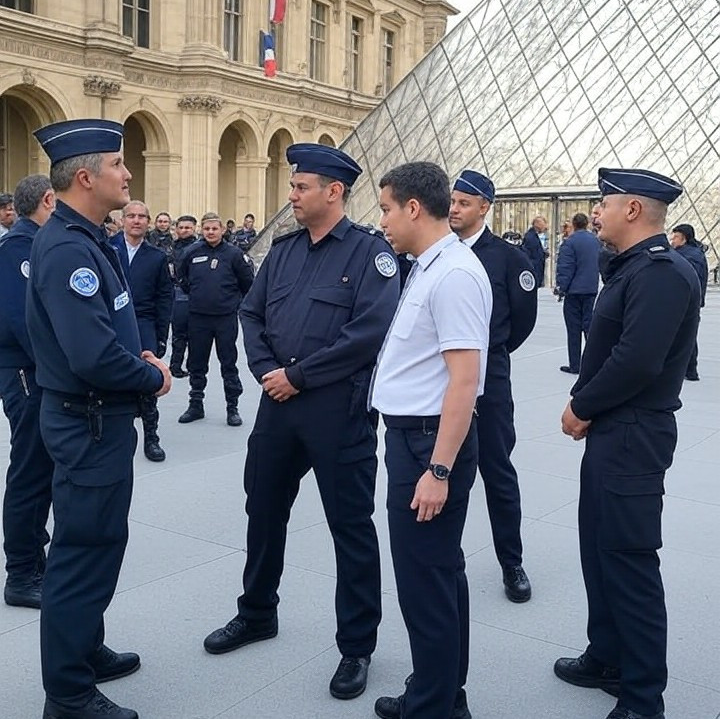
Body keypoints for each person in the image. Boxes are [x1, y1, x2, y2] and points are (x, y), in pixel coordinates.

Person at [203, 143, 399, 702]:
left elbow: (367, 333)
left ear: (332, 192)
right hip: (277, 406)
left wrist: (300, 376)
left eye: (299, 187)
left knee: (350, 529)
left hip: (338, 412)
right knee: (262, 511)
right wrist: (268, 371)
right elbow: (251, 312)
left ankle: (356, 646)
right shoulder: (284, 251)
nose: (291, 196)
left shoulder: (369, 254)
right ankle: (258, 612)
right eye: (292, 187)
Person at [26, 119, 171, 719]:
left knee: (100, 543)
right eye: (118, 164)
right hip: (88, 421)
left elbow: (102, 329)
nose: (128, 172)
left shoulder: (83, 238)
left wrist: (132, 353)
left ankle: (83, 650)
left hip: (97, 420)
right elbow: (89, 356)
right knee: (82, 553)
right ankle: (67, 693)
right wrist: (152, 377)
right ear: (86, 177)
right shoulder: (67, 249)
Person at [554, 167, 701, 719]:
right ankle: (607, 656)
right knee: (600, 549)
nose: (598, 211)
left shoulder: (660, 273)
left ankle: (642, 698)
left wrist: (582, 406)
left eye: (604, 203)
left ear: (633, 210)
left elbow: (637, 359)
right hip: (615, 431)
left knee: (629, 560)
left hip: (633, 433)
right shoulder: (636, 268)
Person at [370, 162, 492, 719]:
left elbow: (464, 380)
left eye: (387, 208)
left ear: (413, 208)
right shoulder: (431, 265)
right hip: (418, 440)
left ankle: (432, 707)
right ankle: (442, 693)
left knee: (425, 584)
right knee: (439, 575)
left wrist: (437, 471)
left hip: (427, 446)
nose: (383, 220)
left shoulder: (454, 274)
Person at [449, 170, 537, 603]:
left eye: (464, 203)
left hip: (490, 379)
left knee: (498, 470)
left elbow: (521, 322)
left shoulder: (507, 258)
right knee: (443, 469)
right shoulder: (437, 252)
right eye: (453, 201)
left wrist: (492, 354)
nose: (454, 209)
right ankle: (447, 557)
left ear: (485, 206)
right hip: (444, 380)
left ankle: (512, 562)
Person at [0, 174, 55, 609]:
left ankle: (36, 552)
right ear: (48, 201)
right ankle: (21, 572)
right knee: (29, 470)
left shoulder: (35, 243)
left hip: (38, 371)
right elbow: (25, 323)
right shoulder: (20, 248)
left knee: (41, 469)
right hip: (24, 370)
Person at [176, 212, 254, 426]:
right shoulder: (191, 252)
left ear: (222, 230)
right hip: (198, 317)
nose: (210, 232)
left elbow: (247, 282)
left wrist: (233, 300)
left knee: (228, 362)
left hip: (225, 318)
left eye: (214, 228)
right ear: (201, 230)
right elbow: (182, 279)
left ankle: (232, 407)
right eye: (207, 228)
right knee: (196, 362)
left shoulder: (234, 254)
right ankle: (195, 405)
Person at [110, 201, 174, 461]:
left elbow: (164, 298)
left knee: (148, 379)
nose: (136, 220)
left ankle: (151, 437)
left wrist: (160, 336)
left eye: (141, 217)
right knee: (112, 377)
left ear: (148, 222)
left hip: (144, 323)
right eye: (131, 216)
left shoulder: (157, 257)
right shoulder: (107, 249)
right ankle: (116, 435)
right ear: (123, 220)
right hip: (112, 323)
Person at [555, 212, 601, 375]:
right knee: (590, 328)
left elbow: (566, 267)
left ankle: (575, 364)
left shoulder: (570, 243)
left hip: (574, 291)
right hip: (591, 288)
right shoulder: (596, 241)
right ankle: (594, 363)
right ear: (587, 224)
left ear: (573, 224)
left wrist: (562, 287)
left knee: (573, 329)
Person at [669, 223, 708, 381]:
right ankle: (688, 369)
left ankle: (690, 370)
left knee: (685, 334)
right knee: (686, 334)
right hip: (688, 300)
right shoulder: (691, 252)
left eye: (676, 237)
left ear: (684, 239)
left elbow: (689, 280)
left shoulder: (689, 256)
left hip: (686, 301)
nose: (672, 240)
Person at [168, 215, 197, 378]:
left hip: (195, 294)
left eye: (188, 227)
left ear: (194, 229)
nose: (184, 230)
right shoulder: (171, 247)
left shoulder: (200, 247)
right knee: (178, 334)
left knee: (195, 334)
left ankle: (193, 366)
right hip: (177, 294)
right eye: (181, 227)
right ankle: (175, 365)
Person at [521, 215, 548, 286]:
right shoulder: (531, 237)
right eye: (544, 225)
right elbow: (529, 255)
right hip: (534, 271)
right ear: (538, 225)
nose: (545, 227)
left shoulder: (534, 236)